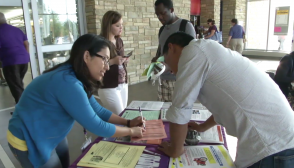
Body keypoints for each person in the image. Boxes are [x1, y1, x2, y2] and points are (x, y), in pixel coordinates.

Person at [158, 32, 294, 168]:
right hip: (282, 141)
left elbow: (181, 107)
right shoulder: (208, 50)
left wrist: (175, 150)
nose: (169, 70)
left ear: (171, 47)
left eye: (166, 60)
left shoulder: (192, 52)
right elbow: (228, 103)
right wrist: (203, 126)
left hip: (272, 148)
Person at [7, 34, 145, 168]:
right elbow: (97, 126)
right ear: (86, 56)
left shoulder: (77, 76)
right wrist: (131, 131)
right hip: (29, 137)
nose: (107, 67)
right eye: (104, 59)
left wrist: (128, 122)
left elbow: (98, 110)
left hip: (51, 132)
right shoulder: (68, 82)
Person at [151, 0, 196, 102]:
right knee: (162, 111)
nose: (160, 17)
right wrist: (156, 59)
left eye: (163, 13)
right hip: (162, 79)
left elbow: (193, 55)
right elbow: (162, 51)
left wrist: (170, 66)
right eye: (157, 14)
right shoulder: (162, 30)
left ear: (171, 10)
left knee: (178, 113)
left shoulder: (185, 26)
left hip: (179, 80)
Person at [0, 12, 30, 103]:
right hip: (24, 62)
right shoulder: (17, 29)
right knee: (18, 84)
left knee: (16, 87)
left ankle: (23, 110)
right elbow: (27, 44)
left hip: (11, 62)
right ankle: (23, 106)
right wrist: (26, 55)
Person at [98, 11, 129, 115]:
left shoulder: (119, 40)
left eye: (122, 25)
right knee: (119, 116)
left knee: (123, 115)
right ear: (108, 25)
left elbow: (119, 61)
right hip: (108, 86)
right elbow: (97, 65)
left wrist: (123, 60)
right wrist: (113, 61)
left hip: (123, 83)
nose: (121, 28)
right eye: (117, 25)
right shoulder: (100, 43)